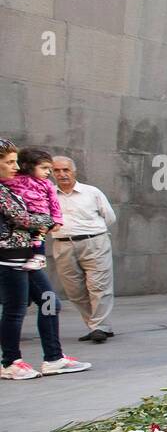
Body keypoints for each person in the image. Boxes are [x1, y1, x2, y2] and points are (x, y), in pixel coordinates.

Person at [0, 140, 91, 379]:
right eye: (9, 162)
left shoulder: (12, 188)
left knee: (50, 303)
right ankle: (10, 362)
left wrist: (44, 219)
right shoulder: (2, 191)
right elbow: (24, 219)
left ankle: (53, 358)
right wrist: (49, 221)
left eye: (16, 161)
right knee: (15, 310)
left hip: (27, 259)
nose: (15, 166)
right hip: (9, 261)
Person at [49, 156, 116, 343]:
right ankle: (95, 325)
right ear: (52, 173)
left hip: (94, 242)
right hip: (62, 244)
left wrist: (93, 232)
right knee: (74, 290)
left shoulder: (91, 192)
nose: (62, 174)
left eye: (66, 170)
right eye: (57, 171)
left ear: (74, 171)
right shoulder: (49, 195)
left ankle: (99, 327)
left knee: (99, 286)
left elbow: (109, 217)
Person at [7, 148, 61, 271]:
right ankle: (31, 256)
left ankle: (39, 257)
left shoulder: (47, 184)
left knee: (38, 237)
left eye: (49, 169)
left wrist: (57, 220)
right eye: (44, 168)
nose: (48, 172)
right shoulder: (15, 178)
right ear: (28, 166)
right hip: (23, 215)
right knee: (26, 237)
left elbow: (54, 203)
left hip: (41, 214)